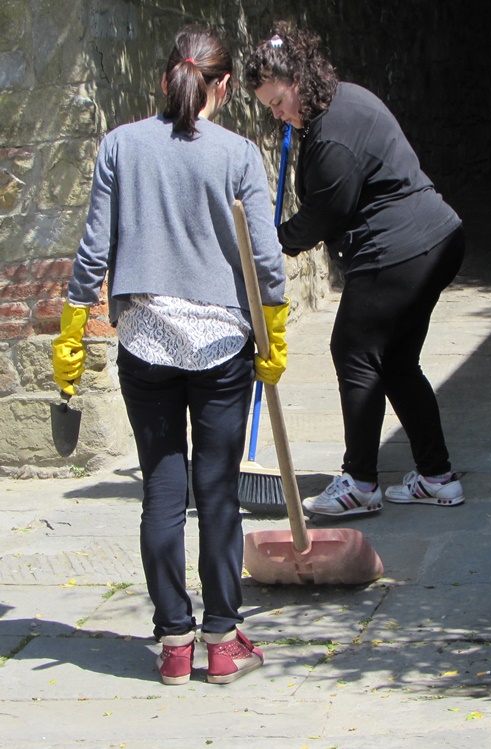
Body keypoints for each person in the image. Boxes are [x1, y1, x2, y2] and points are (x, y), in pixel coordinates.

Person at [51, 26, 288, 686]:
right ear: (225, 86)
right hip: (220, 345)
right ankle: (221, 639)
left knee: (162, 489)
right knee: (216, 491)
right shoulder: (239, 154)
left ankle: (173, 641)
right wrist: (274, 329)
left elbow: (93, 252)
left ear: (165, 80)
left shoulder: (121, 146)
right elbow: (265, 259)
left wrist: (72, 332)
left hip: (146, 341)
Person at [243, 23, 465, 517]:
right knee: (397, 362)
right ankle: (437, 477)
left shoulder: (332, 136)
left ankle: (361, 482)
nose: (277, 113)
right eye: (270, 107)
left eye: (278, 101)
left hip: (400, 249)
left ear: (299, 78)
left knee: (354, 350)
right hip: (436, 239)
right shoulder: (344, 101)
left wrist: (276, 238)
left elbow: (329, 212)